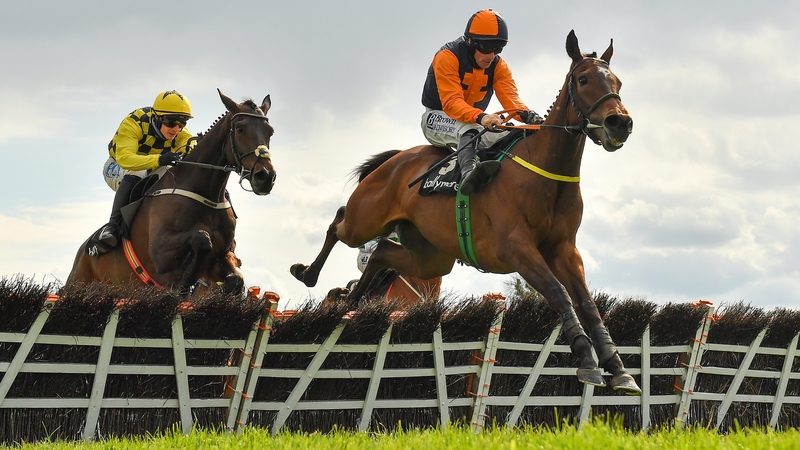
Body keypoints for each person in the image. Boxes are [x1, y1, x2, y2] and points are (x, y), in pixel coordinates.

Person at [421, 9, 543, 195]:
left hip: (474, 122)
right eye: (486, 48)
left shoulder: (498, 66)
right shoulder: (447, 57)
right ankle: (469, 174)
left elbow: (511, 99)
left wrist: (529, 116)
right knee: (467, 129)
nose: (491, 56)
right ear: (470, 42)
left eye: (497, 49)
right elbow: (452, 102)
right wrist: (482, 117)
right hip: (436, 118)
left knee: (510, 133)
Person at [88, 90, 197, 255]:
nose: (176, 129)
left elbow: (191, 142)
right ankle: (112, 226)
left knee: (173, 175)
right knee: (138, 173)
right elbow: (126, 159)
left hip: (151, 167)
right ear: (157, 117)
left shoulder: (178, 132)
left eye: (182, 123)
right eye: (171, 122)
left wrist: (197, 146)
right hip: (118, 166)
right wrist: (159, 159)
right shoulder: (134, 122)